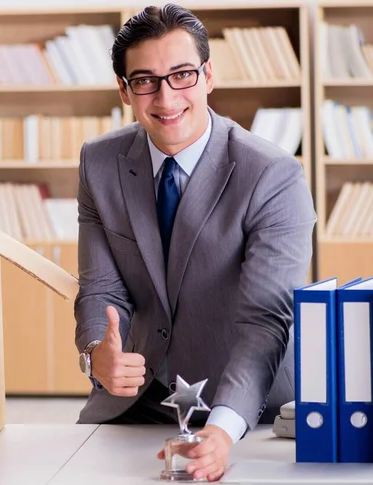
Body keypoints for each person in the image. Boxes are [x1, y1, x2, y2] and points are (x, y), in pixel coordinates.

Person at [73, 3, 316, 482]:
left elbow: (266, 320)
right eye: (144, 80)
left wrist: (223, 431)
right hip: (139, 406)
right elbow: (100, 288)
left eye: (182, 75)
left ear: (208, 76)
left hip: (248, 413)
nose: (166, 98)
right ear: (124, 90)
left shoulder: (273, 174)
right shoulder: (99, 163)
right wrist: (94, 354)